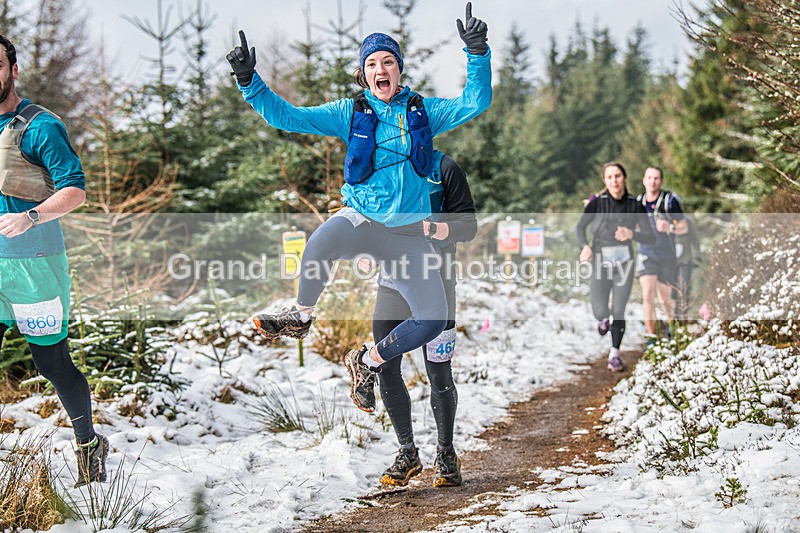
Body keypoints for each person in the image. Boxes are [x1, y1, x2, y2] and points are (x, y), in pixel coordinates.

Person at [226, 5, 490, 403]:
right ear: (363, 74)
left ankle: (367, 360)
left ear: (399, 69)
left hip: (408, 234)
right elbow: (288, 117)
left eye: (388, 62)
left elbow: (476, 101)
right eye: (372, 64)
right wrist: (249, 81)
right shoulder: (348, 113)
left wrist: (477, 52)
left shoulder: (424, 112)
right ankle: (300, 316)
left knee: (433, 320)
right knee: (321, 242)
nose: (380, 69)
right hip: (362, 219)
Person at [0, 35, 108, 487]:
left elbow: (75, 190)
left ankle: (88, 444)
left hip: (34, 264)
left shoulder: (40, 126)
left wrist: (31, 217)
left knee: (52, 364)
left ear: (13, 70)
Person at [357, 150, 476, 488]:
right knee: (385, 365)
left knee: (438, 371)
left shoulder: (444, 167)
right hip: (393, 283)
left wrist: (431, 228)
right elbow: (366, 220)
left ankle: (446, 454)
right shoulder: (380, 166)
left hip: (438, 282)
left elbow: (468, 226)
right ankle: (407, 452)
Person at [577, 162, 655, 371]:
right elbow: (580, 227)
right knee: (600, 309)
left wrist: (633, 234)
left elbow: (650, 237)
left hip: (624, 263)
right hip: (599, 261)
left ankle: (614, 354)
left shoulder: (634, 205)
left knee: (619, 309)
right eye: (610, 177)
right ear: (605, 180)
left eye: (617, 176)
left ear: (624, 178)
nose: (614, 180)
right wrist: (585, 246)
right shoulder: (596, 203)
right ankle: (603, 318)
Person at [635, 166, 688, 344]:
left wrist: (669, 227)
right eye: (649, 178)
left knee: (665, 299)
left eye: (656, 178)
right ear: (644, 180)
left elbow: (684, 227)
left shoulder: (670, 201)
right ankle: (652, 337)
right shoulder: (638, 203)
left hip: (667, 256)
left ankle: (672, 331)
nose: (653, 181)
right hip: (646, 254)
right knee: (647, 294)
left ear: (661, 181)